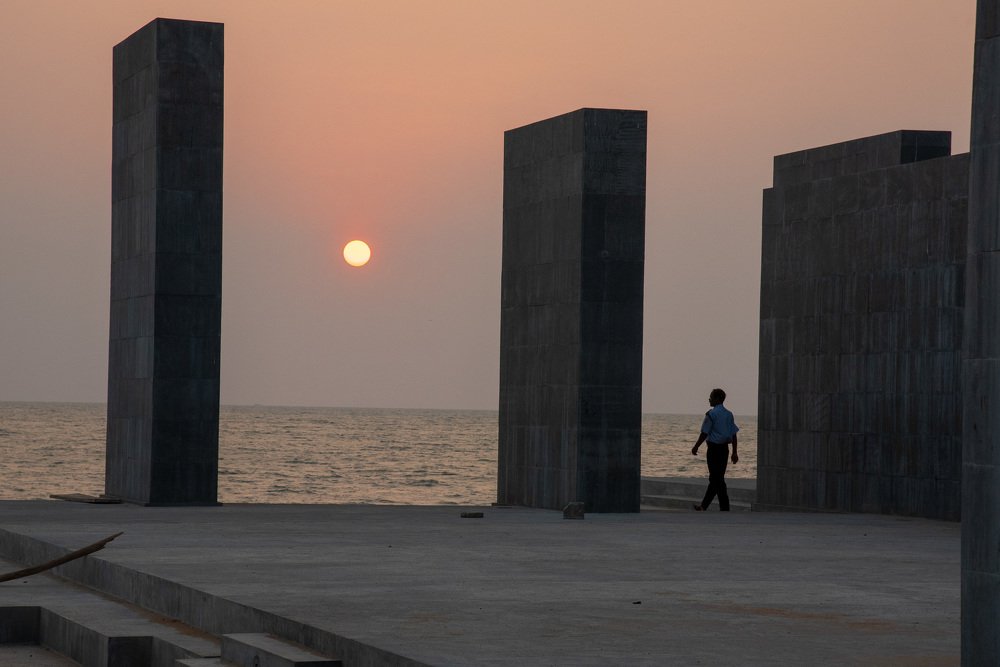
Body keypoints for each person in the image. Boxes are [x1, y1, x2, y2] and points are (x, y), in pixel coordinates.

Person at [691, 388, 739, 511]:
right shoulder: (729, 414)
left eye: (711, 397)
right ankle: (707, 506)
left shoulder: (711, 414)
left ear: (717, 399)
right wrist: (734, 452)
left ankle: (721, 506)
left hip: (713, 449)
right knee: (718, 478)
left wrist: (696, 446)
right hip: (724, 449)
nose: (709, 399)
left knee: (715, 478)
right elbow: (733, 434)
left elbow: (704, 432)